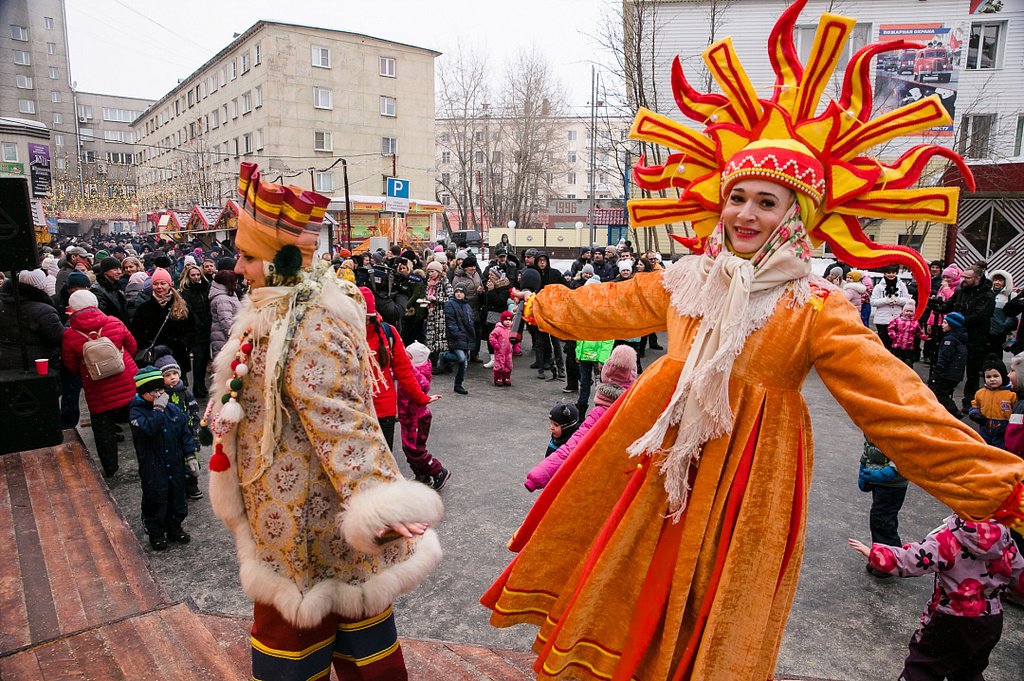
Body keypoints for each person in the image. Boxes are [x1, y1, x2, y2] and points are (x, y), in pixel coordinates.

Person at [483, 8, 1024, 679]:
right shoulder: (686, 279)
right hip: (658, 460)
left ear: (798, 214)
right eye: (737, 197)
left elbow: (897, 402)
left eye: (768, 202)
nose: (745, 213)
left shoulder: (814, 308)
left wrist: (1002, 483)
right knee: (627, 584)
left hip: (749, 476)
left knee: (707, 607)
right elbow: (608, 304)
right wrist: (535, 303)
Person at [208, 163, 441, 680]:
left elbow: (342, 421)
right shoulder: (275, 311)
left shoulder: (309, 323)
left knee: (301, 642)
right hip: (290, 519)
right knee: (353, 633)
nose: (238, 267)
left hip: (309, 530)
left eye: (247, 257)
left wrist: (379, 502)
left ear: (277, 261)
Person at [848, 515, 1024, 681]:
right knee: (968, 670)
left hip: (951, 618)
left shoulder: (949, 538)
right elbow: (1020, 581)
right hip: (991, 620)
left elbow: (913, 560)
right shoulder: (1006, 540)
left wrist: (876, 554)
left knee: (924, 666)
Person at [526, 345, 637, 492]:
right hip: (631, 482)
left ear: (605, 376)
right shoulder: (639, 410)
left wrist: (537, 477)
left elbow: (571, 448)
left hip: (601, 480)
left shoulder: (599, 413)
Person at [62, 290, 139, 477]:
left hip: (96, 386)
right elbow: (132, 346)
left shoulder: (70, 334)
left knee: (103, 430)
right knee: (137, 422)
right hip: (127, 380)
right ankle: (145, 458)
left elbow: (71, 365)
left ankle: (111, 467)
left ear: (72, 309)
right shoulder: (113, 321)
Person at [128, 366, 195, 551]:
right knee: (155, 496)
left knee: (177, 494)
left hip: (174, 460)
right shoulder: (137, 412)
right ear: (143, 392)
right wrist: (157, 411)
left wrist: (190, 455)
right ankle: (156, 531)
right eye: (154, 392)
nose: (159, 395)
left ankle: (175, 526)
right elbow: (147, 431)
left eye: (161, 390)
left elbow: (184, 432)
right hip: (152, 463)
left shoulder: (172, 409)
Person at [931, 265, 996, 414]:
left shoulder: (987, 295)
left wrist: (957, 321)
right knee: (952, 366)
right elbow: (950, 304)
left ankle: (970, 402)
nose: (963, 280)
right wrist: (940, 306)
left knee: (972, 372)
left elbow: (979, 316)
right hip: (958, 335)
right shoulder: (961, 291)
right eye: (963, 277)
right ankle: (945, 396)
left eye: (967, 277)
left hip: (976, 337)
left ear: (977, 279)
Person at [397, 341, 450, 491]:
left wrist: (410, 368)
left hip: (417, 418)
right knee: (408, 448)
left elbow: (423, 385)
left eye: (407, 356)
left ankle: (438, 471)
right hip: (408, 416)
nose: (403, 358)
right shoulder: (410, 369)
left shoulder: (417, 372)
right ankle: (422, 475)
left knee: (415, 449)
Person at [131, 267, 196, 387]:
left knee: (178, 391)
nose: (159, 287)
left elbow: (192, 328)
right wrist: (148, 345)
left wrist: (185, 345)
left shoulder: (181, 306)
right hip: (154, 359)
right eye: (155, 284)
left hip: (178, 357)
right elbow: (136, 331)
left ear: (169, 285)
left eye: (162, 283)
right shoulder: (144, 308)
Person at [857, 437, 909, 577]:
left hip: (893, 483)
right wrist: (864, 466)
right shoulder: (871, 420)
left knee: (883, 520)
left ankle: (890, 561)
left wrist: (891, 470)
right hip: (878, 478)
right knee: (879, 519)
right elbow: (869, 447)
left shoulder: (899, 423)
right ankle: (883, 558)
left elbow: (905, 449)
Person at [155, 352, 203, 500]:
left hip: (187, 432)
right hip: (171, 434)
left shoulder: (185, 393)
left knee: (191, 459)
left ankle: (192, 485)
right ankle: (178, 487)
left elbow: (194, 411)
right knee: (175, 462)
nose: (173, 377)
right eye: (167, 375)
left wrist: (195, 427)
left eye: (175, 373)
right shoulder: (161, 396)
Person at [0, 269, 63, 372]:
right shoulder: (44, 310)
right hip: (39, 365)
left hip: (5, 363)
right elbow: (58, 338)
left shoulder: (3, 304)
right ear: (42, 286)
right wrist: (72, 321)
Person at [178, 263, 212, 397]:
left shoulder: (205, 288)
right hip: (197, 331)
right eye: (193, 275)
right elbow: (189, 311)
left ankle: (202, 385)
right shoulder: (186, 291)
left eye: (198, 274)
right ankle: (197, 387)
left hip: (206, 329)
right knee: (198, 361)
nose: (196, 277)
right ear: (188, 276)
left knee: (204, 361)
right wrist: (199, 323)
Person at [969, 358, 1016, 450]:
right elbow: (975, 405)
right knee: (984, 450)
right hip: (984, 427)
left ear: (1003, 376)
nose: (992, 379)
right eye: (988, 377)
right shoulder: (980, 393)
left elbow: (1016, 412)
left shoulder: (1011, 394)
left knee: (1001, 452)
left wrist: (1009, 427)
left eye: (996, 376)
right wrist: (975, 415)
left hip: (1003, 429)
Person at [439, 282, 474, 394]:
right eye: (457, 292)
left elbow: (470, 322)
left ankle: (458, 385)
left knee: (464, 363)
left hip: (466, 337)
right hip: (456, 337)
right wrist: (456, 334)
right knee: (461, 359)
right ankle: (444, 356)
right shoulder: (450, 304)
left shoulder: (467, 306)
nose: (459, 294)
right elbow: (450, 321)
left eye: (461, 292)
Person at [871, 265, 911, 352]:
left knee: (895, 341)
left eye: (893, 273)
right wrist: (886, 301)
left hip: (897, 318)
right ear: (884, 274)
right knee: (883, 341)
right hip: (882, 319)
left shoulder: (901, 285)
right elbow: (873, 302)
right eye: (888, 273)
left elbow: (907, 299)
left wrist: (898, 300)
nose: (891, 275)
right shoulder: (879, 287)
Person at [208, 268, 240, 360]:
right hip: (224, 339)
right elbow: (226, 322)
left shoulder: (227, 294)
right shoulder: (222, 299)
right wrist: (236, 337)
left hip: (224, 338)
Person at [423, 260, 452, 360]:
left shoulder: (444, 281)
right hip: (431, 314)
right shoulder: (429, 282)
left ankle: (443, 362)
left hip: (441, 315)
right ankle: (433, 360)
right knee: (431, 338)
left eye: (432, 272)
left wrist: (437, 299)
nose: (430, 274)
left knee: (440, 340)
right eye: (429, 272)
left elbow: (451, 298)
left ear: (438, 272)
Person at [888, 302, 930, 367]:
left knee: (908, 362)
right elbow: (890, 328)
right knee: (897, 360)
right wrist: (894, 336)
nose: (908, 313)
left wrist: (924, 337)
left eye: (911, 311)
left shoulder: (915, 322)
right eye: (907, 311)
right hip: (898, 344)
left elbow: (918, 332)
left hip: (909, 346)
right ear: (903, 311)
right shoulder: (897, 320)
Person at [91, 257, 129, 325]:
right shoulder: (97, 290)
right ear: (105, 272)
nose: (119, 272)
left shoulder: (117, 287)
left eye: (119, 268)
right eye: (115, 269)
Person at [988, 269, 1017, 356]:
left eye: (1000, 280)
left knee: (996, 353)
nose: (997, 282)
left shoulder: (1010, 295)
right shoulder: (988, 293)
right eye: (995, 280)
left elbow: (1013, 313)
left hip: (1000, 331)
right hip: (987, 329)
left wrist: (1005, 325)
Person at [489, 311, 514, 386]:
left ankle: (506, 377)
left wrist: (516, 346)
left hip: (509, 351)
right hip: (500, 350)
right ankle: (498, 377)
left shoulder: (511, 329)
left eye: (509, 320)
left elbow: (515, 338)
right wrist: (495, 344)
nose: (507, 322)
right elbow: (492, 336)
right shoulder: (498, 329)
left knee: (508, 364)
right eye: (506, 320)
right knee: (499, 364)